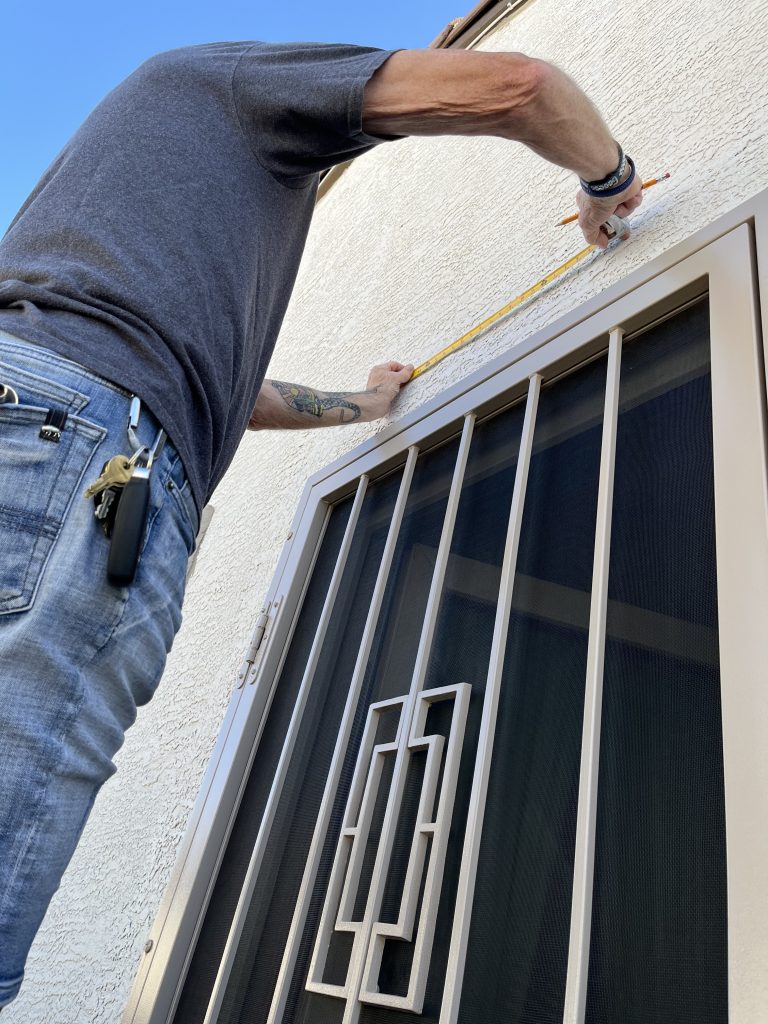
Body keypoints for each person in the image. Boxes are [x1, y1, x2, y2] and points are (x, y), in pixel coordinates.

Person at [0, 40, 642, 1009]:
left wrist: (364, 405)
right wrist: (609, 181)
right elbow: (518, 84)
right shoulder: (238, 84)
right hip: (81, 441)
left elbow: (236, 395)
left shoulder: (127, 211)